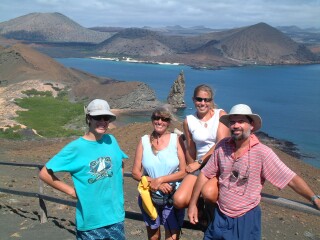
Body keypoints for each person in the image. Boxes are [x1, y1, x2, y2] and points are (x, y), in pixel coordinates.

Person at [187, 104, 320, 240]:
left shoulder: (262, 153)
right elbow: (205, 174)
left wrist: (314, 198)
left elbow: (290, 179)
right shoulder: (222, 146)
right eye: (232, 122)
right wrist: (193, 205)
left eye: (241, 121)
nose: (235, 125)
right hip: (220, 215)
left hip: (245, 218)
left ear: (251, 125)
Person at [39, 99, 128, 240]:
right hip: (91, 221)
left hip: (116, 216)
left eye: (107, 118)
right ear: (88, 119)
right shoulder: (76, 148)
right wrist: (72, 192)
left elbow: (120, 161)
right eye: (98, 117)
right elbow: (44, 173)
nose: (103, 121)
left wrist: (118, 180)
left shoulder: (111, 140)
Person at [131, 106, 187, 240]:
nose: (160, 121)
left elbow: (184, 171)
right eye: (156, 118)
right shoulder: (144, 140)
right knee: (153, 237)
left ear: (169, 122)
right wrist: (154, 183)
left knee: (172, 237)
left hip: (171, 196)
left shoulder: (177, 140)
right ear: (152, 120)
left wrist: (161, 180)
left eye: (164, 119)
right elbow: (135, 172)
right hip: (149, 196)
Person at [173, 84, 229, 209]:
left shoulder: (221, 115)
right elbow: (191, 148)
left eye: (206, 100)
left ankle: (209, 219)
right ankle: (198, 204)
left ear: (211, 101)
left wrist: (199, 162)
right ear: (193, 100)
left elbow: (220, 143)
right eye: (199, 99)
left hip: (218, 163)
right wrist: (190, 167)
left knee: (209, 194)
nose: (202, 103)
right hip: (199, 165)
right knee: (179, 200)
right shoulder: (189, 121)